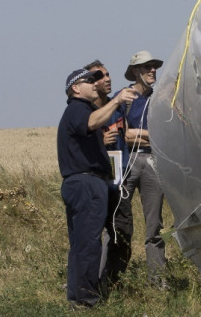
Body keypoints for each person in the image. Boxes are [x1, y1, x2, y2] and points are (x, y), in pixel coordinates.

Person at [57, 68, 137, 308]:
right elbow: (91, 122)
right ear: (75, 88)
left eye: (96, 80)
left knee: (82, 244)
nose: (95, 84)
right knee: (90, 243)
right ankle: (86, 300)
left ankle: (78, 298)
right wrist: (117, 101)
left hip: (82, 183)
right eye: (88, 81)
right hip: (86, 183)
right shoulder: (78, 108)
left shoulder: (81, 110)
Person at [116, 50, 167, 286]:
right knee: (119, 222)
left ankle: (157, 281)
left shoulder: (159, 101)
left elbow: (165, 137)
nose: (152, 70)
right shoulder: (124, 98)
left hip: (153, 161)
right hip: (128, 161)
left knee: (154, 225)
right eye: (147, 67)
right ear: (135, 71)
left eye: (154, 66)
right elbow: (123, 136)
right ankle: (113, 277)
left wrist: (141, 134)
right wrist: (145, 136)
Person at [83, 60, 132, 288]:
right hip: (96, 183)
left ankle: (114, 281)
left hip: (119, 182)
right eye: (100, 76)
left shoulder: (118, 106)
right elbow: (76, 147)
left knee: (122, 232)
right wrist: (100, 142)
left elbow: (129, 134)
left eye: (108, 74)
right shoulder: (85, 112)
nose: (107, 78)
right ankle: (91, 283)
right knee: (93, 237)